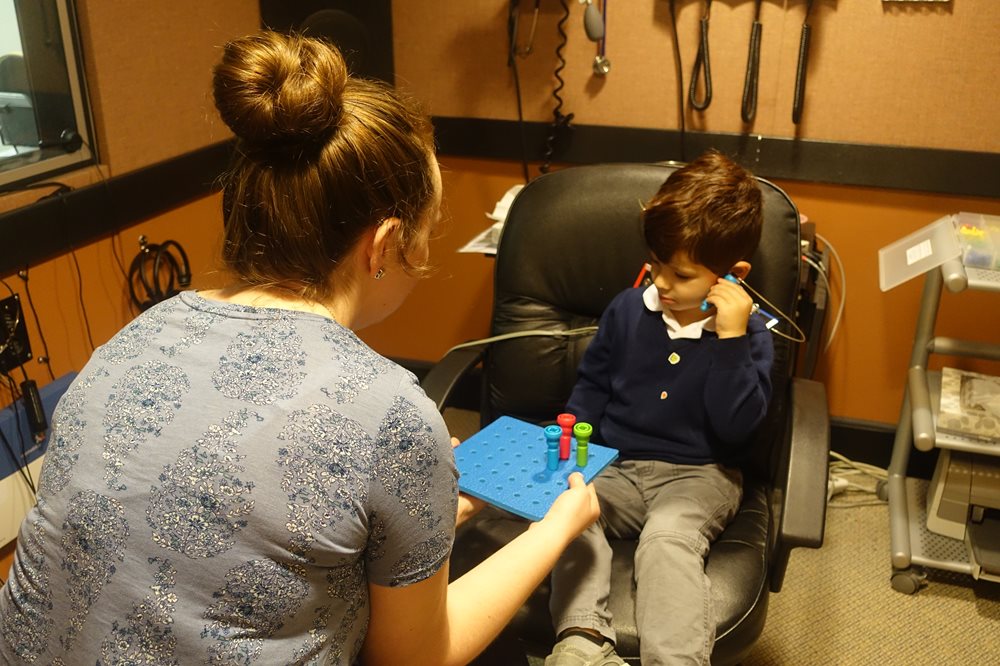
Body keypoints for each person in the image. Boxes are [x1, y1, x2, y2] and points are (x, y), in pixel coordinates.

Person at [0, 31, 599, 666]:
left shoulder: (127, 343)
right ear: (385, 243)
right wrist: (557, 526)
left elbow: (240, 538)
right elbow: (417, 657)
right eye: (424, 236)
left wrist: (419, 511)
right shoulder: (390, 415)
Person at [544, 149, 773, 666]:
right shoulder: (628, 309)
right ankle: (584, 639)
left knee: (667, 542)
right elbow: (593, 387)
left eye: (682, 274)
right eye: (656, 266)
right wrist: (573, 448)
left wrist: (729, 340)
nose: (662, 283)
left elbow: (738, 432)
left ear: (731, 276)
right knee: (569, 512)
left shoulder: (747, 337)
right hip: (618, 466)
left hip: (700, 475)